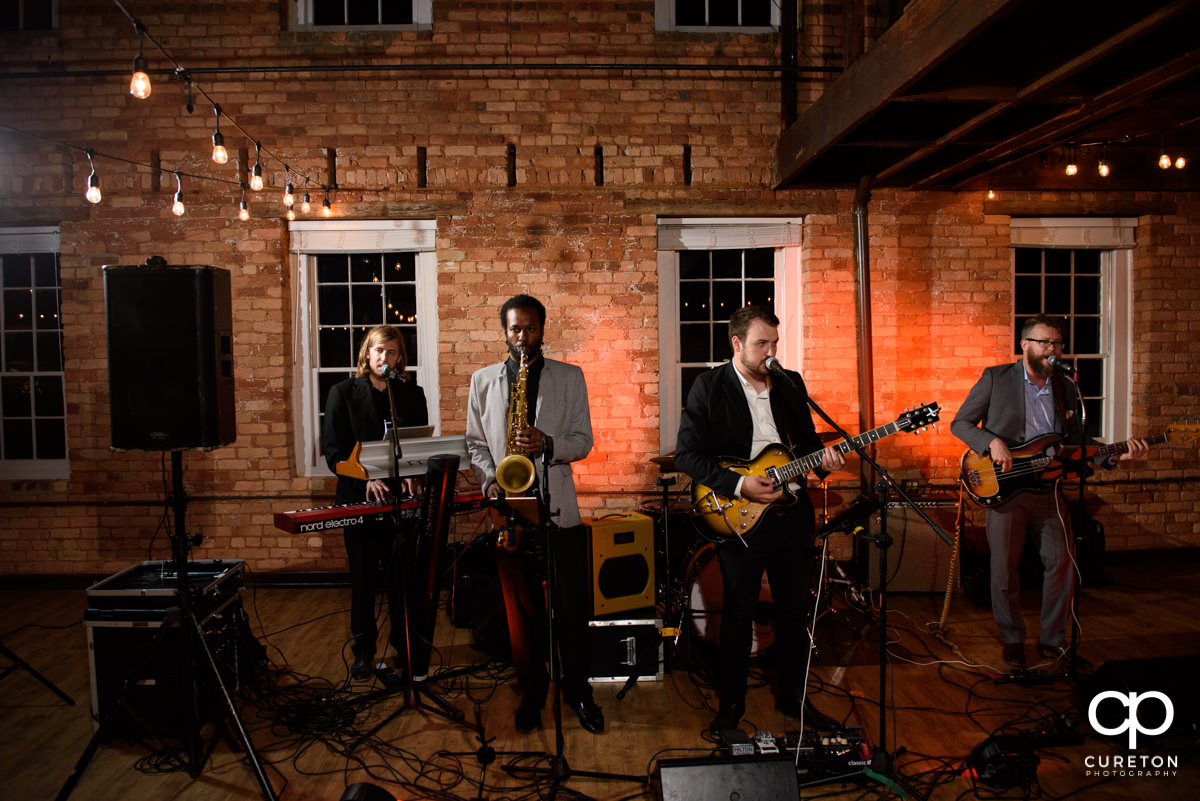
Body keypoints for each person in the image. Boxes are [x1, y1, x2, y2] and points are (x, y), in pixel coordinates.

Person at [675, 305, 844, 735]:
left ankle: (793, 700)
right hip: (739, 515)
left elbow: (807, 447)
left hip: (791, 514)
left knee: (793, 613)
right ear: (736, 344)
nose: (770, 353)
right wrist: (738, 485)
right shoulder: (709, 386)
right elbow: (688, 456)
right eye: (761, 344)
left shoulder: (790, 384)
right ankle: (731, 707)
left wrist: (826, 462)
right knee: (738, 612)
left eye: (774, 343)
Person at [951, 314, 1148, 669]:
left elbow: (1075, 443)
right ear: (1024, 345)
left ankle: (1053, 639)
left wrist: (1115, 456)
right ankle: (1012, 639)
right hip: (1005, 486)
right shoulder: (996, 378)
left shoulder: (1066, 387)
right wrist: (991, 441)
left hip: (1049, 487)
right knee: (1004, 569)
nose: (1051, 349)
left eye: (1056, 343)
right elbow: (960, 423)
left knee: (1062, 563)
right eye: (1044, 342)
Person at [465, 294, 603, 734]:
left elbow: (582, 441)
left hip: (558, 510)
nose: (522, 337)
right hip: (508, 511)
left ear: (543, 329)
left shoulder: (570, 377)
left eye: (530, 328)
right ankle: (531, 693)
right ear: (504, 332)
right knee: (519, 617)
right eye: (514, 329)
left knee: (571, 607)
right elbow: (475, 443)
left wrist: (547, 443)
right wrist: (492, 480)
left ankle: (578, 690)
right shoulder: (482, 380)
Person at [323, 324, 428, 681]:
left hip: (402, 503)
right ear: (367, 354)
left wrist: (414, 472)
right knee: (364, 581)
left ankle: (406, 647)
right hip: (360, 500)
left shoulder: (411, 395)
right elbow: (334, 453)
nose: (385, 357)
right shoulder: (342, 393)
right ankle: (364, 651)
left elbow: (416, 446)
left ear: (400, 358)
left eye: (392, 352)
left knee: (403, 580)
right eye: (379, 350)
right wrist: (367, 477)